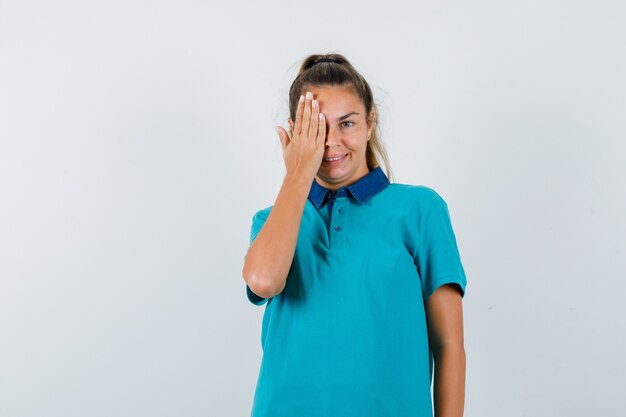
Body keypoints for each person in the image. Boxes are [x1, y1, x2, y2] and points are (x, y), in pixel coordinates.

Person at [242, 53, 468, 417]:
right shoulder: (271, 220)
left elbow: (450, 345)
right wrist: (297, 175)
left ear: (370, 120)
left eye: (346, 123)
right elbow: (264, 281)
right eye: (316, 127)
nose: (330, 142)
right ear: (297, 132)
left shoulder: (420, 210)